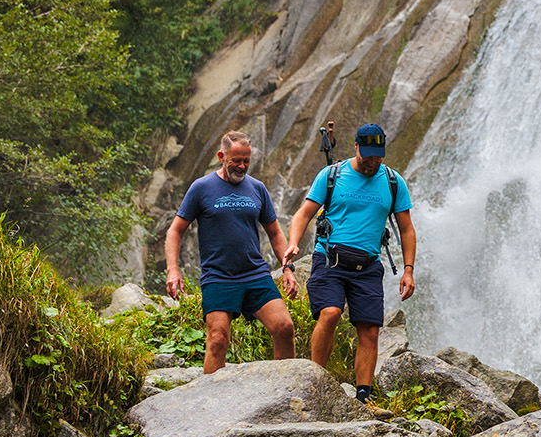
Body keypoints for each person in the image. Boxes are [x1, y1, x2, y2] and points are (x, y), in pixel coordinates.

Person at [284, 122, 415, 404]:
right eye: (367, 154)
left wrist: (408, 269)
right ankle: (315, 382)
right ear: (356, 147)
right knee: (330, 313)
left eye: (377, 155)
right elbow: (303, 213)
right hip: (330, 259)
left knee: (369, 329)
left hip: (368, 266)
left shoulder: (393, 182)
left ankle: (363, 396)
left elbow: (406, 229)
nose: (372, 161)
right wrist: (293, 242)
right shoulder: (332, 175)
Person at [165, 131, 298, 374]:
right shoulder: (202, 188)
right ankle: (211, 405)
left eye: (246, 160)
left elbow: (276, 233)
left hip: (255, 274)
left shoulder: (257, 188)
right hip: (219, 277)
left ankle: (286, 391)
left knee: (284, 327)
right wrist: (173, 269)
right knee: (217, 340)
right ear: (221, 156)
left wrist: (287, 267)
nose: (242, 166)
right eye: (235, 160)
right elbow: (175, 231)